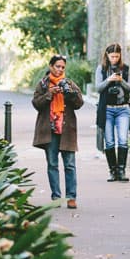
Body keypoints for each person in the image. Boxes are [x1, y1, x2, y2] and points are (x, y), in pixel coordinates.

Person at [32, 54, 84, 208]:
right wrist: (50, 94)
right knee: (52, 164)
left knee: (69, 165)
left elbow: (79, 103)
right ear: (51, 66)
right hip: (49, 130)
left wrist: (69, 94)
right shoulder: (42, 84)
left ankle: (71, 197)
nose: (60, 69)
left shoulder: (69, 83)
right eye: (57, 66)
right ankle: (56, 197)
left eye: (62, 67)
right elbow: (36, 103)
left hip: (67, 129)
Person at [95, 43, 130, 181]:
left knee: (123, 139)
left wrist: (121, 81)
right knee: (109, 141)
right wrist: (109, 80)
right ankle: (112, 171)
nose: (114, 59)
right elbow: (98, 88)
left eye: (117, 56)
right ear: (107, 55)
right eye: (112, 56)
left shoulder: (126, 68)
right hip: (107, 109)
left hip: (123, 109)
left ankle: (121, 171)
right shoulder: (101, 69)